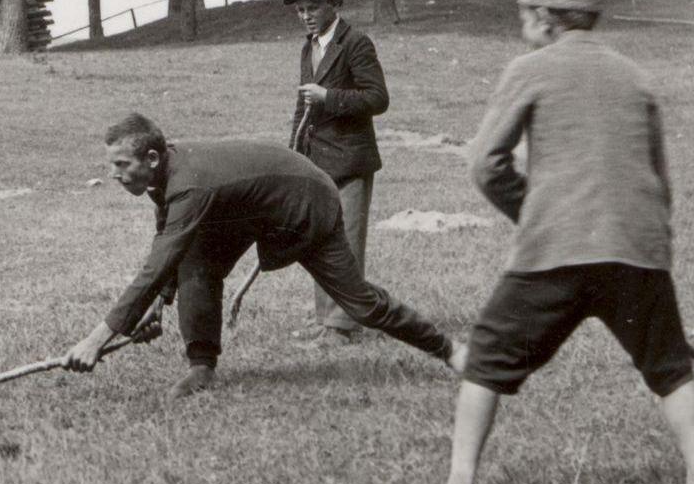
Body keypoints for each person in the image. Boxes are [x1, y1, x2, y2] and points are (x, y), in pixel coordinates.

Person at [441, 0, 694, 484]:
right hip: (637, 251)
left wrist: (532, 211)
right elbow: (661, 180)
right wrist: (651, 249)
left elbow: (484, 165)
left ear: (545, 17)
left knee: (485, 361)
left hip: (555, 251)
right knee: (669, 370)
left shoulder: (531, 68)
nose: (523, 23)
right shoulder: (635, 75)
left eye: (525, 13)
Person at [62, 114, 462, 397]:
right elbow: (166, 245)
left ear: (151, 158)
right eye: (110, 164)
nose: (114, 173)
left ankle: (451, 351)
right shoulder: (166, 173)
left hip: (304, 201)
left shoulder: (188, 186)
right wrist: (161, 303)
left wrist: (95, 340)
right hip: (248, 207)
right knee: (196, 265)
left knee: (360, 304)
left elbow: (153, 268)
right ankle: (201, 368)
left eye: (121, 164)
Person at [282, 0, 389, 348]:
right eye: (300, 10)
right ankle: (325, 321)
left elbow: (377, 99)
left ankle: (342, 327)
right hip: (316, 164)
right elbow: (302, 104)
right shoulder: (308, 46)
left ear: (335, 5)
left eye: (313, 8)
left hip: (351, 162)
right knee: (319, 242)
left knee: (346, 242)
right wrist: (294, 160)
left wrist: (330, 98)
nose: (306, 16)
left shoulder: (356, 43)